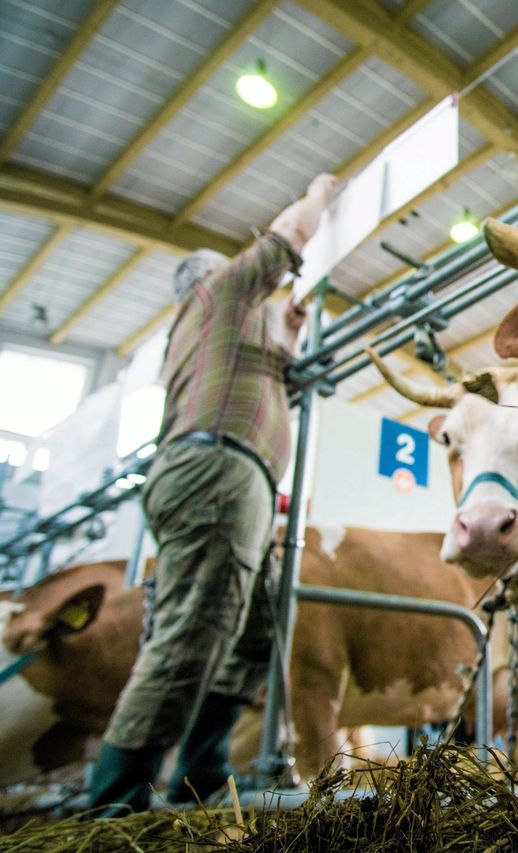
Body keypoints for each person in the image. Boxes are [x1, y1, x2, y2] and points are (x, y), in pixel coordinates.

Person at [86, 174, 337, 816]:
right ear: (209, 275)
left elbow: (263, 365)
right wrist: (315, 193)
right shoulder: (217, 291)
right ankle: (116, 802)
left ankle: (200, 767)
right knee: (193, 629)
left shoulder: (214, 334)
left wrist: (287, 334)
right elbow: (288, 239)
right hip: (219, 474)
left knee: (254, 628)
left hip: (223, 475)